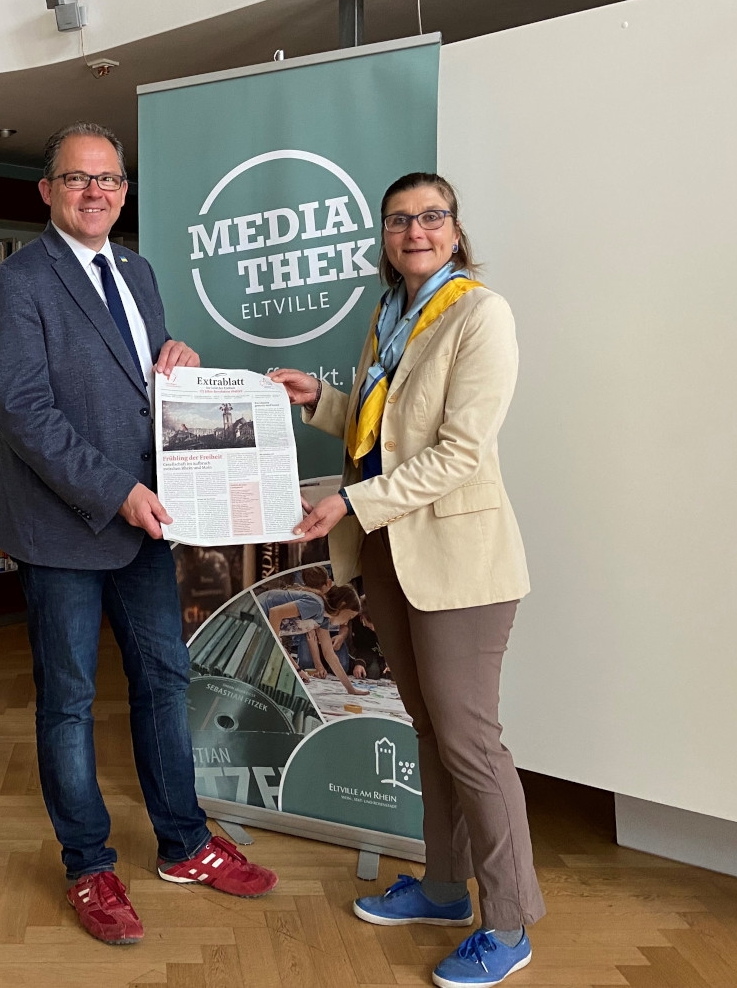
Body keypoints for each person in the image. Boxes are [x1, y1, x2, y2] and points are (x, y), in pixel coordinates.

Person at [0, 122, 278, 946]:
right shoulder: (17, 283)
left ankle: (184, 842)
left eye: (110, 180)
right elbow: (25, 414)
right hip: (65, 528)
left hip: (150, 522)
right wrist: (118, 492)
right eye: (78, 179)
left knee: (162, 684)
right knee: (70, 705)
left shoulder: (138, 272)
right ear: (47, 191)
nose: (97, 191)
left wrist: (173, 362)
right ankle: (89, 865)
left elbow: (130, 384)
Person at [271, 172, 543, 988]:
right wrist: (322, 398)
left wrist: (350, 498)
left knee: (471, 743)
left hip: (461, 563)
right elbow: (383, 422)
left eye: (431, 217)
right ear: (384, 236)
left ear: (456, 231)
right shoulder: (389, 313)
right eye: (399, 220)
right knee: (430, 734)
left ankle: (509, 920)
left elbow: (459, 452)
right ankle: (441, 887)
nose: (415, 230)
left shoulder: (479, 313)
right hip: (390, 554)